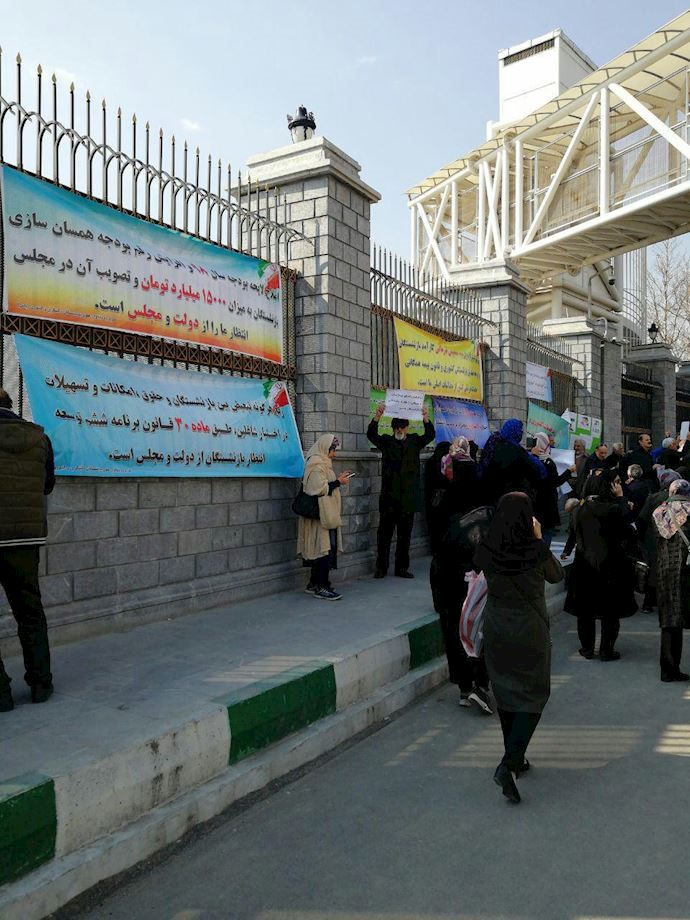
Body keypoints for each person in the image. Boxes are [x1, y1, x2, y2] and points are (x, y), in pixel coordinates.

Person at [474, 492, 564, 804]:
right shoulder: (535, 550)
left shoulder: (487, 548)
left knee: (507, 692)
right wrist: (539, 539)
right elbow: (557, 574)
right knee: (536, 693)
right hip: (530, 630)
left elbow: (474, 567)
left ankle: (517, 756)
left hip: (498, 629)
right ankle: (509, 763)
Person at [0, 387, 56, 711]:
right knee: (30, 612)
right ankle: (40, 684)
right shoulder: (40, 439)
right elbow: (47, 484)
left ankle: (2, 695)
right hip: (24, 541)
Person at [564, 469, 638, 660]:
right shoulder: (612, 509)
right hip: (610, 566)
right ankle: (606, 650)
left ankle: (587, 648)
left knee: (585, 612)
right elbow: (626, 529)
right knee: (609, 613)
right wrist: (621, 499)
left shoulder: (580, 509)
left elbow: (574, 531)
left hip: (584, 565)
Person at [430, 502, 494, 714]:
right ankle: (479, 685)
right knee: (478, 635)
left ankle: (466, 688)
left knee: (455, 636)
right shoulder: (488, 523)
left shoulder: (462, 522)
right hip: (464, 586)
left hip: (448, 585)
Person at [368, 405, 435, 579]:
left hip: (408, 498)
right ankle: (381, 568)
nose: (399, 430)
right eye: (396, 427)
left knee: (405, 536)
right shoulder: (386, 441)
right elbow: (371, 435)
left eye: (402, 427)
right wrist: (377, 417)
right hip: (389, 497)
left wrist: (426, 418)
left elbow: (430, 435)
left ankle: (402, 568)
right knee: (384, 535)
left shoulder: (414, 441)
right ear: (393, 428)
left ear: (406, 427)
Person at [297, 434, 353, 601]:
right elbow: (318, 488)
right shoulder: (315, 464)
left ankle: (315, 583)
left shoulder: (323, 463)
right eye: (332, 451)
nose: (334, 454)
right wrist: (338, 482)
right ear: (324, 448)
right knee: (323, 550)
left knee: (323, 549)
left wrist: (337, 479)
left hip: (325, 515)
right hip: (318, 517)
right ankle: (321, 586)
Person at [653, 479, 690, 682]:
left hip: (665, 570)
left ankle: (668, 669)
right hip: (686, 570)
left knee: (669, 621)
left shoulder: (659, 511)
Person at [637, 469, 682, 613]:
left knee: (653, 569)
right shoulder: (681, 499)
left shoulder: (653, 497)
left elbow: (642, 518)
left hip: (653, 538)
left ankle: (648, 602)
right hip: (673, 539)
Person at [476, 419, 544, 507]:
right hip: (510, 502)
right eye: (520, 430)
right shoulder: (515, 451)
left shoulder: (493, 443)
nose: (521, 433)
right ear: (515, 431)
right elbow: (534, 470)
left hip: (489, 497)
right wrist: (535, 456)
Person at [531, 433, 575, 548]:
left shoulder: (532, 459)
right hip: (547, 504)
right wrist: (569, 472)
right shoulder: (548, 462)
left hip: (534, 504)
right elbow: (554, 482)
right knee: (546, 535)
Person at [440, 436, 481, 518]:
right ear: (467, 448)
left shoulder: (447, 462)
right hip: (469, 507)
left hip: (451, 504)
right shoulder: (473, 466)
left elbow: (444, 480)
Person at [424, 440, 451, 557]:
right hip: (444, 499)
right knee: (444, 526)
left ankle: (434, 550)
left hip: (432, 500)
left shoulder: (431, 461)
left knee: (434, 527)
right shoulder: (446, 462)